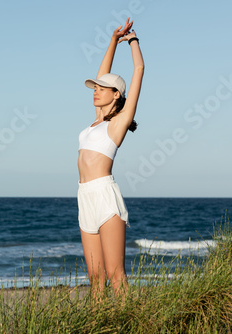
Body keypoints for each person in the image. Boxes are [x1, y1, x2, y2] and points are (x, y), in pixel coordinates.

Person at [77, 18, 144, 299]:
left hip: (105, 195)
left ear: (116, 95)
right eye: (94, 88)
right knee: (95, 278)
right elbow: (103, 75)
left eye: (101, 89)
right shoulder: (95, 121)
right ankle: (97, 324)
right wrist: (112, 41)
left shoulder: (117, 124)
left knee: (116, 275)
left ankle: (131, 323)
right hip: (84, 196)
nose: (95, 91)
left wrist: (132, 42)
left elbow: (139, 70)